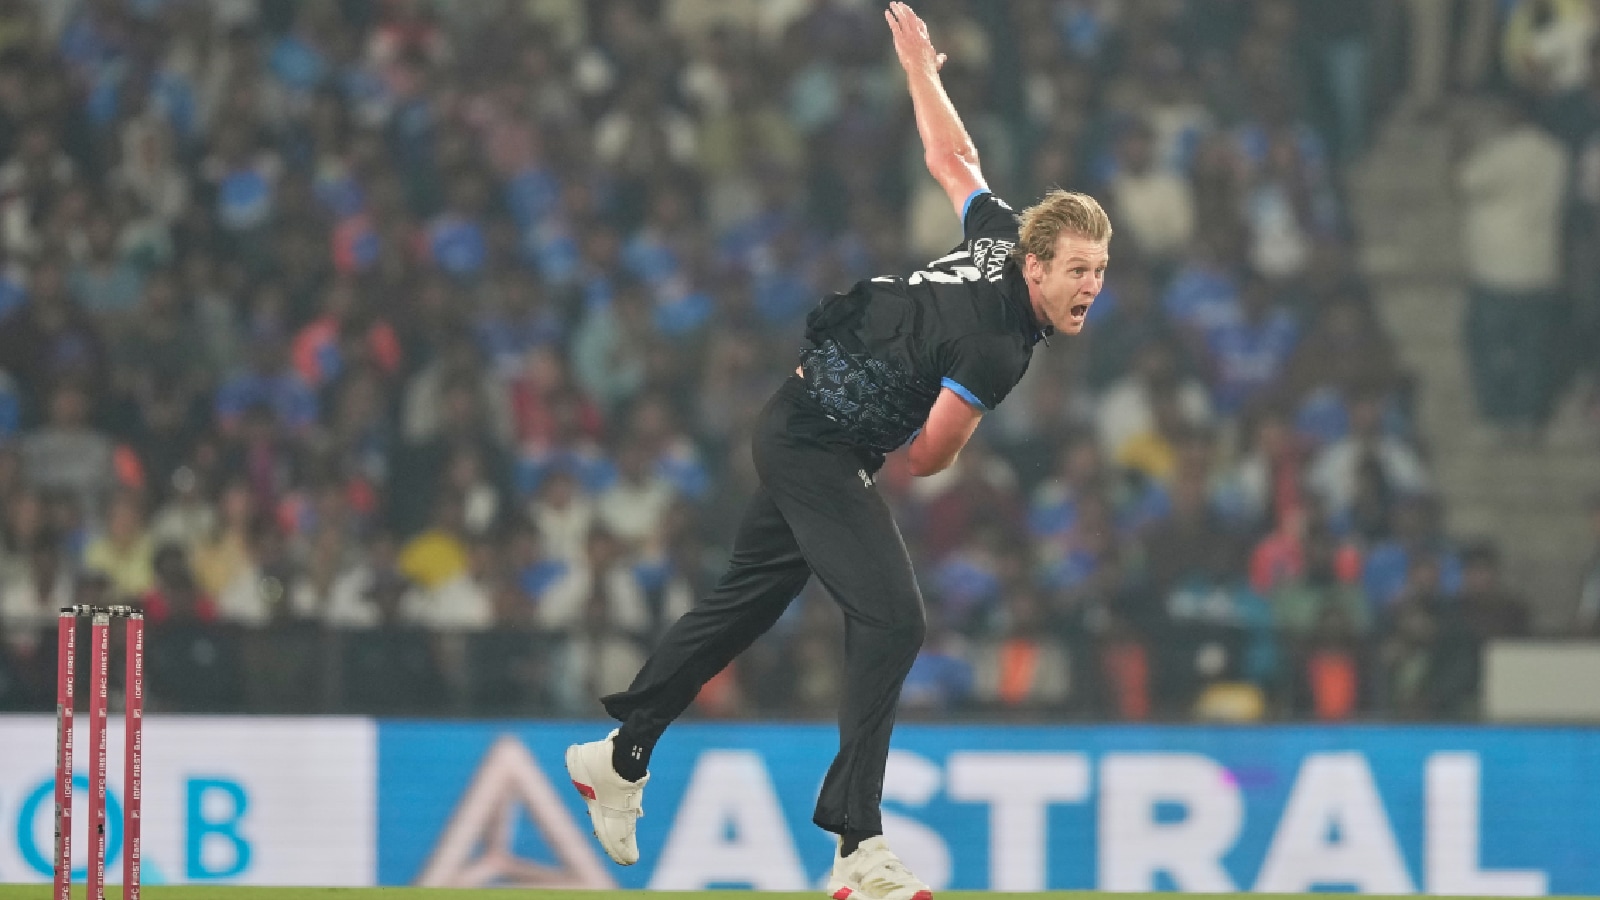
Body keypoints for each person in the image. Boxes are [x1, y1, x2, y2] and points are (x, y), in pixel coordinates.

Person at [563, 5, 1111, 899]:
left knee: (741, 607)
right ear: (1037, 266)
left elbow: (952, 162)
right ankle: (858, 848)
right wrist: (919, 442)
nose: (1091, 286)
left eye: (1101, 270)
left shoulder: (997, 240)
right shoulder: (1002, 346)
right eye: (1079, 270)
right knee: (894, 619)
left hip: (801, 424)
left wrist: (923, 73)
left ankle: (619, 757)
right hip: (818, 444)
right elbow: (930, 459)